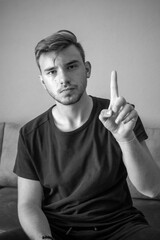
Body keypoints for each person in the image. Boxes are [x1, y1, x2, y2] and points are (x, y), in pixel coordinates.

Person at [3, 30, 160, 240]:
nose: (63, 79)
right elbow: (28, 205)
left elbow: (151, 188)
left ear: (86, 69)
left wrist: (125, 138)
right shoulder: (31, 134)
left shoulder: (120, 115)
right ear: (43, 81)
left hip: (120, 228)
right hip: (56, 231)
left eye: (71, 66)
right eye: (51, 72)